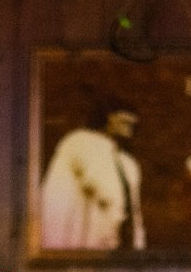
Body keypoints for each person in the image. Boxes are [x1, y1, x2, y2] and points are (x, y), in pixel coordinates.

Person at [36, 100, 146, 252]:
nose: (131, 121)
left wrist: (137, 248)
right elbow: (101, 188)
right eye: (122, 116)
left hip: (115, 247)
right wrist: (117, 218)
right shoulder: (80, 142)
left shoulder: (126, 162)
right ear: (108, 117)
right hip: (84, 244)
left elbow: (134, 210)